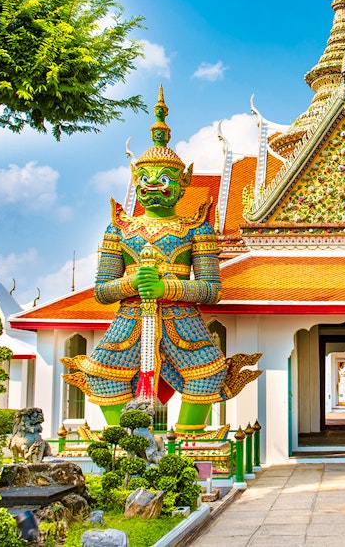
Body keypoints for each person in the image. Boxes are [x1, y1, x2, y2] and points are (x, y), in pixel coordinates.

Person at [63, 87, 260, 434]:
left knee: (207, 377)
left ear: (183, 185)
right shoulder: (119, 229)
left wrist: (166, 287)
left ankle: (187, 443)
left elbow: (211, 290)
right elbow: (102, 291)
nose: (154, 186)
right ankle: (126, 444)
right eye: (146, 179)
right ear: (136, 181)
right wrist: (131, 284)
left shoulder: (196, 228)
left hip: (182, 321)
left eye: (164, 179)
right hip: (130, 318)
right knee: (103, 376)